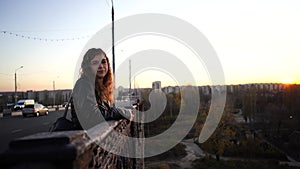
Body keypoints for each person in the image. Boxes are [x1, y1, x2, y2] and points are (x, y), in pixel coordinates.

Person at [72, 48, 133, 130]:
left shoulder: (101, 88)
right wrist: (123, 112)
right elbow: (93, 116)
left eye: (103, 62)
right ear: (88, 67)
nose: (100, 66)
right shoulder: (83, 84)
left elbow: (106, 111)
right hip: (85, 139)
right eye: (95, 63)